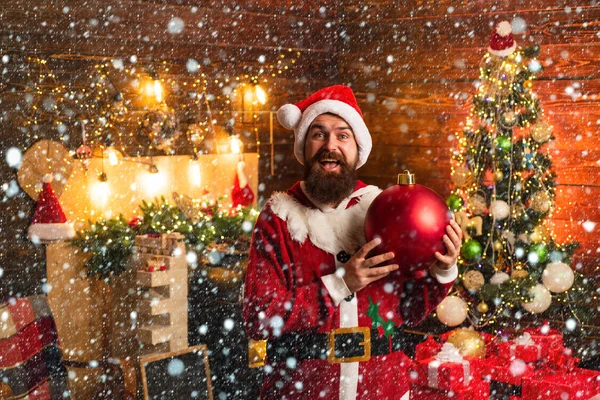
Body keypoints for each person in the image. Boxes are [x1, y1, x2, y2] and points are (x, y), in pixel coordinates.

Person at [242, 85, 462, 400]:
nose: (330, 146)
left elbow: (410, 311)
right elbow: (259, 318)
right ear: (304, 146)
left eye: (343, 136)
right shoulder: (279, 218)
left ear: (358, 149)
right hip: (301, 392)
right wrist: (341, 284)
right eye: (318, 134)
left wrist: (443, 270)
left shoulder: (385, 211)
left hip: (384, 388)